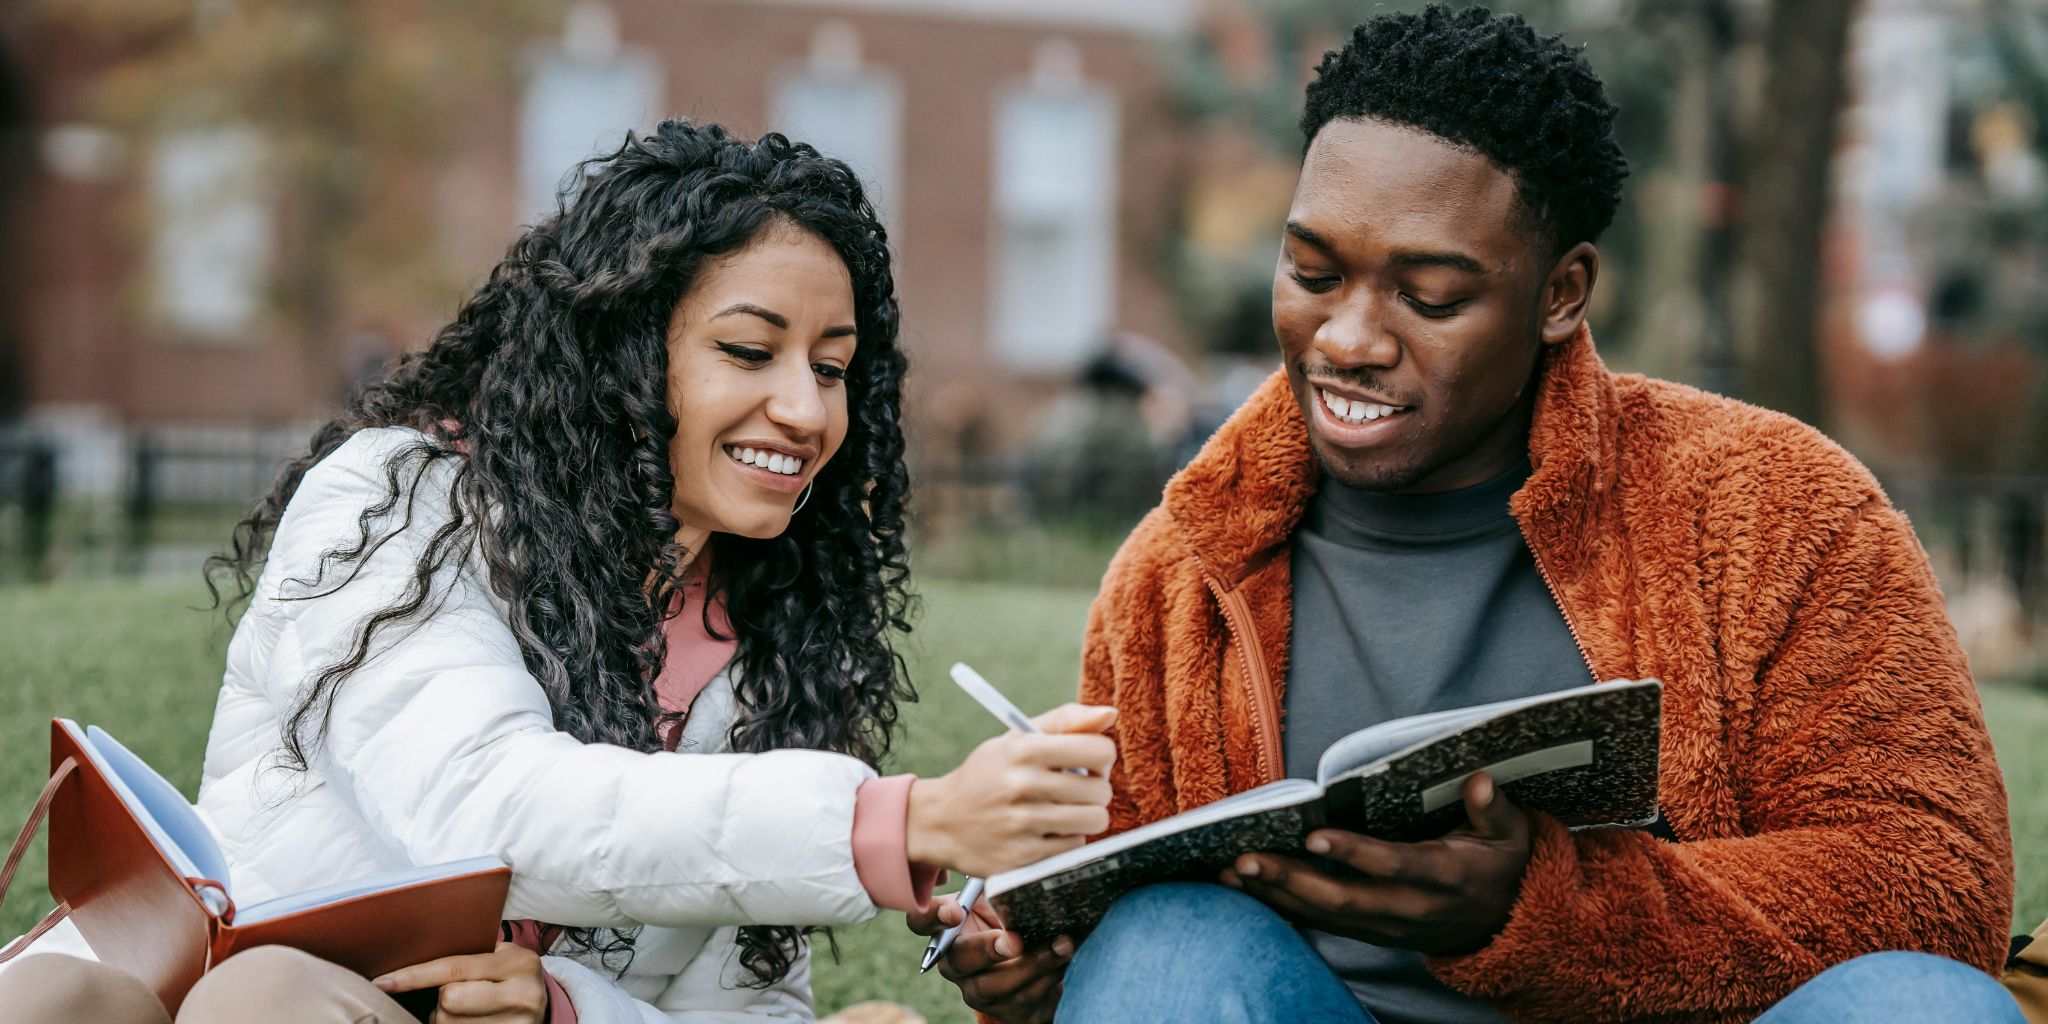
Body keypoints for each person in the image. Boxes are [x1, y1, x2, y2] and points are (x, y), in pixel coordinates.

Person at [912, 6, 2020, 1023]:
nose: (1347, 336)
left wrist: (1545, 909)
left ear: (1560, 293)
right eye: (1310, 271)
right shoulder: (1182, 567)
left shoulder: (1776, 509)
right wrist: (1033, 963)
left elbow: (1932, 886)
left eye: (1428, 295)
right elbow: (1124, 936)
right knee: (1160, 944)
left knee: (1925, 1008)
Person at [0, 120, 1117, 1023]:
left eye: (831, 368)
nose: (804, 407)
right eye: (747, 349)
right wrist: (898, 822)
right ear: (623, 352)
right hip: (224, 982)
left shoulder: (770, 643)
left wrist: (565, 1005)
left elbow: (737, 1009)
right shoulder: (402, 504)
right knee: (152, 995)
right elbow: (487, 805)